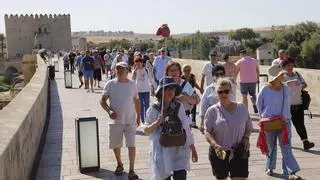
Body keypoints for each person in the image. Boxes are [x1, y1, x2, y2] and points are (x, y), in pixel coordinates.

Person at [143, 76, 198, 180]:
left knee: (181, 176)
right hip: (161, 148)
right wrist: (157, 122)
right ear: (161, 91)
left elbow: (186, 127)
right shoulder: (154, 109)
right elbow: (146, 131)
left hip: (179, 147)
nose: (170, 91)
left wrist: (192, 147)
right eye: (167, 88)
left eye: (172, 89)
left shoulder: (179, 106)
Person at [256, 67, 301, 180]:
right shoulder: (264, 89)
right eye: (281, 75)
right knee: (271, 146)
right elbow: (259, 104)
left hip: (284, 121)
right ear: (275, 77)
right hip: (269, 122)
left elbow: (287, 103)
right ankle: (270, 167)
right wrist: (263, 117)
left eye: (282, 76)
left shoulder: (285, 88)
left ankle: (290, 171)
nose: (283, 77)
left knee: (286, 146)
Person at [204, 77, 253, 179]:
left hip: (239, 150)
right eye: (220, 92)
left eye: (226, 91)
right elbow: (207, 131)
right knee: (222, 177)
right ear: (216, 93)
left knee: (240, 177)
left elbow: (249, 127)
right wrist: (215, 145)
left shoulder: (241, 108)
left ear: (231, 91)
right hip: (220, 151)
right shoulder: (212, 111)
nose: (223, 94)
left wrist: (246, 138)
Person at [100, 61, 141, 180]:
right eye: (118, 69)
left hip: (130, 120)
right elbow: (102, 101)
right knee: (115, 145)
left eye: (122, 69)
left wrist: (139, 117)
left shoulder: (133, 84)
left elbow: (136, 100)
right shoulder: (110, 84)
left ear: (127, 71)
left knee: (131, 145)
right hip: (115, 121)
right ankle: (119, 164)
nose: (119, 71)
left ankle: (132, 170)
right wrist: (109, 111)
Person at [282, 59, 315, 150]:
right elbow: (277, 87)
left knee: (300, 124)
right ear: (284, 67)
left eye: (291, 65)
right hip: (287, 105)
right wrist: (287, 84)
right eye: (288, 66)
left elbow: (305, 85)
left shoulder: (297, 74)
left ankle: (305, 142)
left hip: (299, 103)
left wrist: (299, 84)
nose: (290, 67)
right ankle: (285, 142)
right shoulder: (282, 76)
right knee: (286, 125)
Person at [199, 65, 236, 133]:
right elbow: (203, 105)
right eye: (217, 74)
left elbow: (233, 102)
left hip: (227, 119)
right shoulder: (208, 89)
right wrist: (202, 122)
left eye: (221, 74)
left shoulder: (231, 87)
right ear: (213, 76)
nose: (219, 76)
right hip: (212, 120)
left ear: (224, 75)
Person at [132, 56, 155, 124]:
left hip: (146, 90)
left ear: (142, 63)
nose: (138, 65)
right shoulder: (135, 71)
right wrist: (135, 72)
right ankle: (142, 120)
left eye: (139, 64)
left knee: (147, 105)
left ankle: (147, 119)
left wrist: (152, 87)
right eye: (136, 64)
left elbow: (150, 79)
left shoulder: (146, 70)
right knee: (141, 106)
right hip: (138, 91)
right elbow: (133, 80)